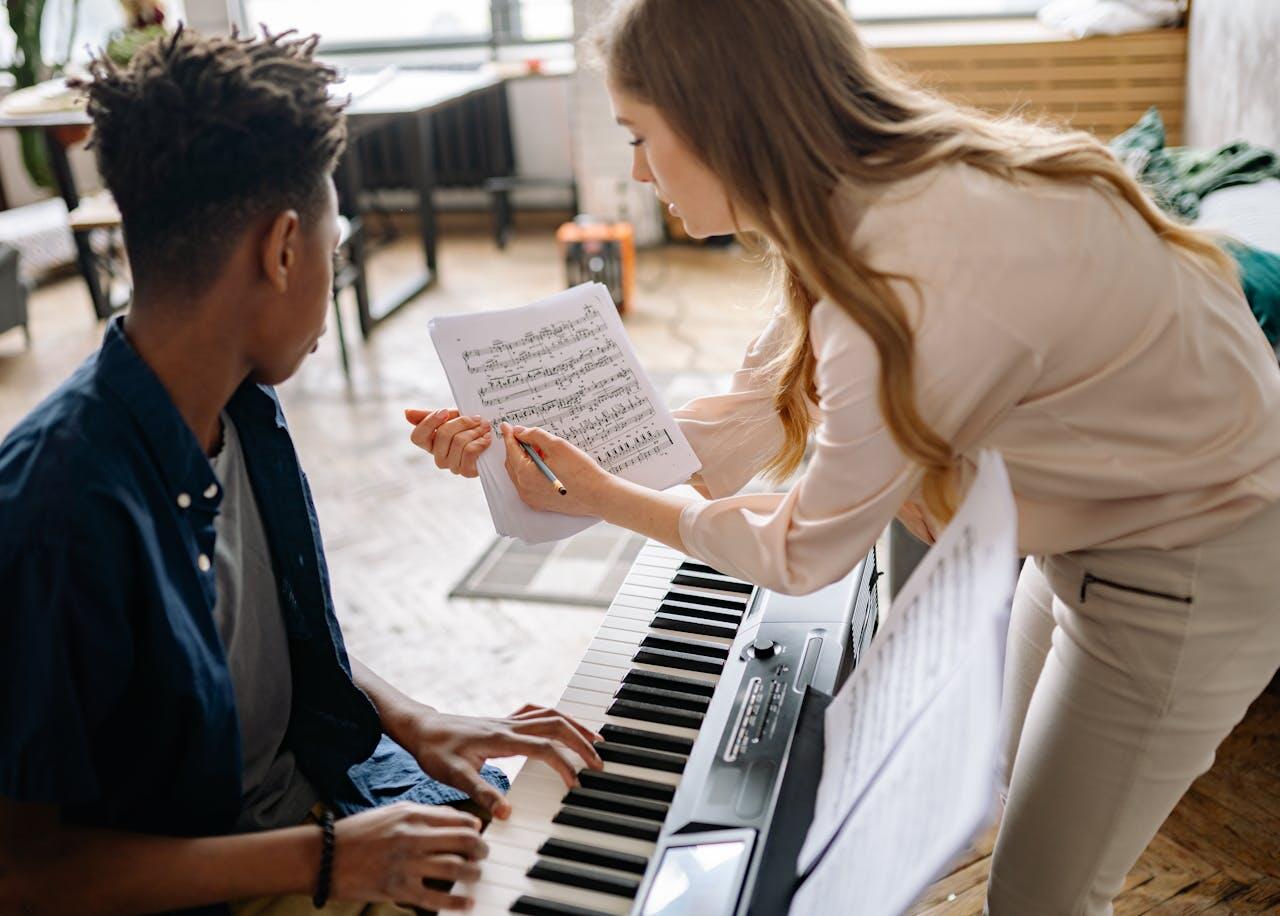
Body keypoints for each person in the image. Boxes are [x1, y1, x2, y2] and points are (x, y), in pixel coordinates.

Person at [408, 0, 1280, 912]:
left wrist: (610, 497)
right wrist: (538, 461)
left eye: (638, 136)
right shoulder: (863, 199)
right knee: (1006, 789)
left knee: (1042, 897)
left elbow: (803, 553)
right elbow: (737, 429)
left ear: (722, 122)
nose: (635, 170)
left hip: (1193, 565)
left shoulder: (911, 265)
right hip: (1093, 536)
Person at [0, 29, 603, 916]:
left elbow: (264, 651)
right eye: (335, 240)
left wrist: (414, 718)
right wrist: (324, 860)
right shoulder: (54, 512)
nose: (336, 264)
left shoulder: (241, 405)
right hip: (241, 879)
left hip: (331, 798)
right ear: (283, 250)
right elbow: (21, 874)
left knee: (580, 841)